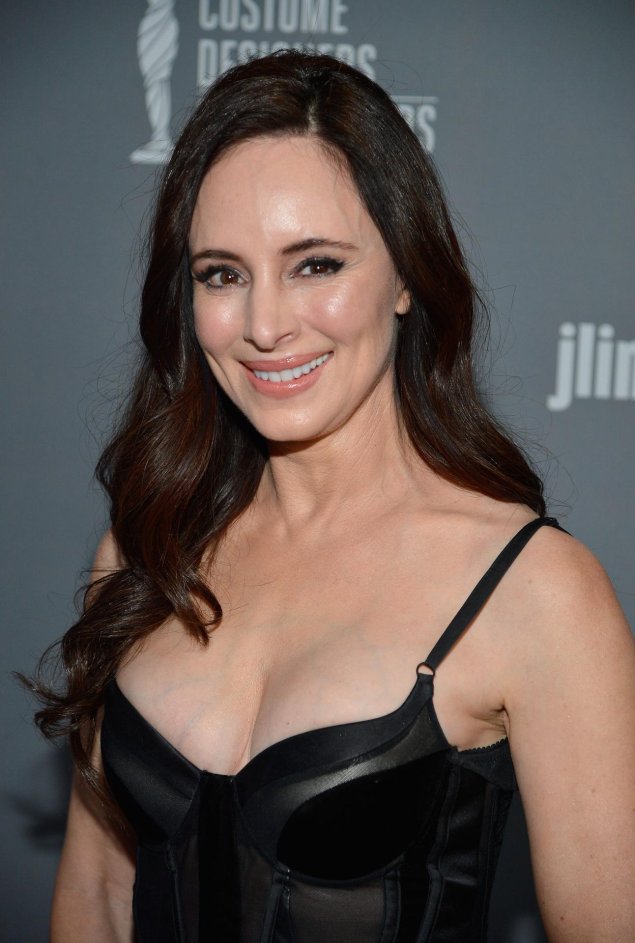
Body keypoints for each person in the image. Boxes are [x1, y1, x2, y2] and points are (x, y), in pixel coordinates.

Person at [32, 50, 634, 942]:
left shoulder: (532, 591)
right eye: (222, 273)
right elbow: (97, 893)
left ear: (405, 276)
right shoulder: (147, 548)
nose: (265, 324)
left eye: (314, 264)